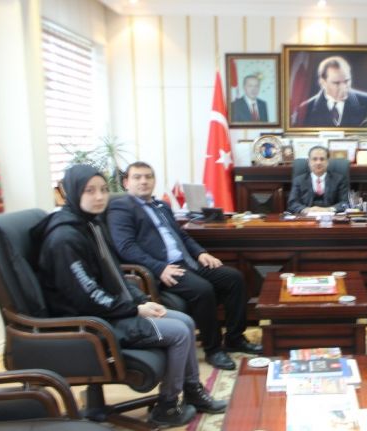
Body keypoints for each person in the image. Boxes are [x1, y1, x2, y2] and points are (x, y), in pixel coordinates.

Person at [32, 165, 227, 427]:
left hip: (108, 312)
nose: (99, 197)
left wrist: (140, 300)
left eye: (103, 189)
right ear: (72, 192)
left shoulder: (90, 224)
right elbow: (86, 297)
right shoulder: (65, 238)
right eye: (90, 191)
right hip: (88, 323)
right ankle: (167, 407)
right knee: (180, 332)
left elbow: (115, 276)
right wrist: (134, 310)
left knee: (186, 321)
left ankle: (192, 391)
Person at [107, 161, 262, 372]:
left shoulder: (161, 206)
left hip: (187, 262)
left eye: (148, 177)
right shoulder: (121, 208)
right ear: (126, 182)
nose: (144, 181)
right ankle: (213, 349)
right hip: (161, 269)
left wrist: (201, 253)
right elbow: (126, 247)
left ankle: (235, 338)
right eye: (137, 177)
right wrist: (159, 268)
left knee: (234, 278)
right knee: (203, 290)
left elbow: (182, 236)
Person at [292, 56, 367, 127]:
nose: (344, 88)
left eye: (346, 81)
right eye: (336, 83)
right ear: (322, 82)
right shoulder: (305, 109)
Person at [287, 146, 349, 215]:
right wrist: (306, 210)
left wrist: (328, 209)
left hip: (331, 218)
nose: (318, 162)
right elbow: (292, 203)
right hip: (306, 218)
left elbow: (345, 203)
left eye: (322, 159)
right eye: (314, 159)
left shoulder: (339, 179)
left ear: (327, 162)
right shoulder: (299, 180)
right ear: (308, 162)